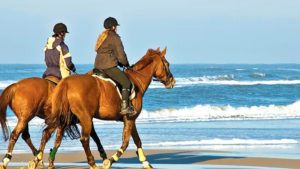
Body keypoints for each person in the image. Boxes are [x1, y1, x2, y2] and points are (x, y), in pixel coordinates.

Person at [94, 17, 136, 116]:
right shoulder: (114, 37)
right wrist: (126, 64)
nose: (116, 28)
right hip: (108, 66)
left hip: (97, 66)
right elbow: (121, 55)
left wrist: (119, 62)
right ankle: (125, 107)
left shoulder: (102, 36)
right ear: (113, 27)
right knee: (126, 82)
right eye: (116, 26)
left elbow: (107, 52)